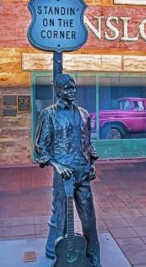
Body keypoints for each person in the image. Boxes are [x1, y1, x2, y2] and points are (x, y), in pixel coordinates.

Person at [34, 74, 101, 267]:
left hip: (83, 173)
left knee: (89, 221)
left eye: (74, 88)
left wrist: (92, 164)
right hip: (64, 177)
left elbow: (87, 143)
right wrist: (57, 165)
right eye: (68, 88)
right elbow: (41, 148)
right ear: (58, 91)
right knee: (62, 223)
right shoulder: (49, 114)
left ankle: (94, 260)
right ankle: (62, 261)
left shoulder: (83, 113)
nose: (72, 91)